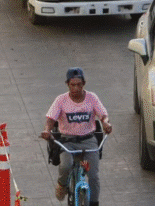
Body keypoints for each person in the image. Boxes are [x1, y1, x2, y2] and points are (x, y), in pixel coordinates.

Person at [40, 67, 112, 206]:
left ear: (83, 84)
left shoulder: (92, 98)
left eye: (79, 84)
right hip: (67, 142)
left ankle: (94, 203)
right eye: (73, 85)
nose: (76, 88)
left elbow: (103, 115)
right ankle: (62, 184)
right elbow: (50, 119)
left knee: (94, 177)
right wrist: (47, 130)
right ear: (67, 84)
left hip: (88, 141)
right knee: (66, 166)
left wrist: (106, 123)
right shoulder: (61, 100)